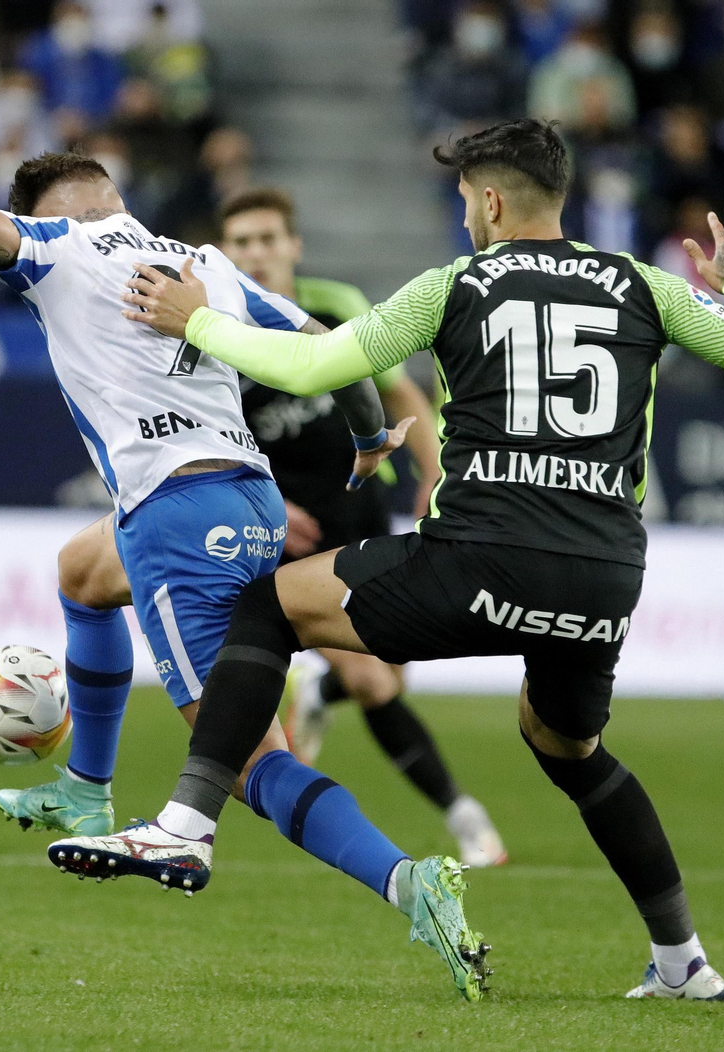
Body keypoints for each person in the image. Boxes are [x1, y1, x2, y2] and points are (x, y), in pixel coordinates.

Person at [51, 119, 724, 1003]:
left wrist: (202, 319)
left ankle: (184, 825)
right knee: (569, 747)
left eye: (463, 200)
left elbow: (314, 366)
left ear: (489, 200)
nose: (464, 217)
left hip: (480, 558)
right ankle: (684, 962)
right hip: (602, 580)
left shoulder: (456, 285)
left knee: (268, 606)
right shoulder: (642, 287)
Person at [0, 153, 446, 929]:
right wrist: (370, 438)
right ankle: (87, 789)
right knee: (81, 573)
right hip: (251, 498)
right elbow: (334, 349)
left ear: (45, 208)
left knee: (247, 761)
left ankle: (407, 883)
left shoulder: (52, 245)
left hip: (177, 519)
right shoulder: (204, 264)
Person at [216, 186, 507, 867]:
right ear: (225, 254)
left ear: (294, 246)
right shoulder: (220, 328)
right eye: (241, 242)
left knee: (391, 674)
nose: (256, 253)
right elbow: (206, 440)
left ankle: (318, 688)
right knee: (376, 683)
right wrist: (257, 504)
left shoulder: (336, 306)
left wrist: (437, 472)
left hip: (366, 519)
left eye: (267, 239)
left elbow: (400, 392)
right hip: (292, 542)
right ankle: (466, 819)